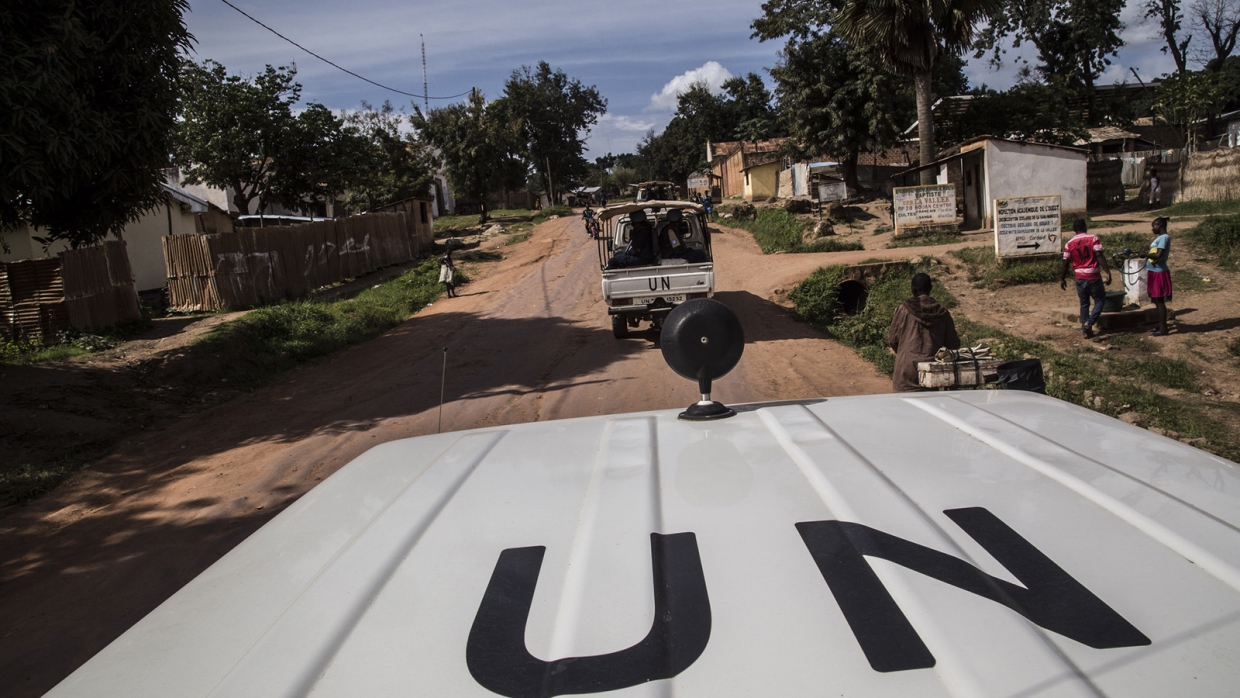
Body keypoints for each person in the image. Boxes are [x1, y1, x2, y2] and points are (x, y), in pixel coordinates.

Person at [886, 273, 960, 392]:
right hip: (932, 371)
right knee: (929, 407)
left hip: (906, 370)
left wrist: (904, 354)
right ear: (930, 288)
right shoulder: (943, 313)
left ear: (913, 289)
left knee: (903, 407)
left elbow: (892, 339)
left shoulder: (904, 309)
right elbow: (953, 344)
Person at [1059, 218, 1112, 338]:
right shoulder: (1093, 239)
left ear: (1074, 230)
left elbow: (1065, 263)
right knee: (1100, 300)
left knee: (1084, 304)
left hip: (1079, 276)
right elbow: (1099, 255)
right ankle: (1090, 322)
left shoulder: (1069, 243)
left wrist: (1062, 278)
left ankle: (1086, 331)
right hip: (1093, 275)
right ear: (1085, 227)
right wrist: (1107, 272)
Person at [1147, 217, 1173, 335]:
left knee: (1159, 301)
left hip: (1159, 272)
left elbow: (1158, 255)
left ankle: (1163, 329)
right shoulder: (1160, 238)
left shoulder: (1164, 238)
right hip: (1154, 271)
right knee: (1156, 301)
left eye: (1154, 226)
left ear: (1160, 225)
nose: (1152, 229)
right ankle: (1161, 325)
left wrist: (1144, 254)